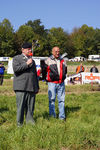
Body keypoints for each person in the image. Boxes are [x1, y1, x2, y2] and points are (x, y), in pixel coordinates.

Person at [13, 42, 39, 126]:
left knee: (30, 107)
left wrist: (37, 87)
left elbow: (34, 74)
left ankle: (30, 123)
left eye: (30, 49)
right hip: (21, 87)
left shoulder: (33, 61)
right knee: (20, 107)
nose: (29, 50)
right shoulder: (17, 58)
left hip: (31, 87)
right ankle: (19, 124)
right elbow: (16, 69)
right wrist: (27, 64)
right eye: (28, 49)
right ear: (23, 50)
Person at [43, 46, 67, 120]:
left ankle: (62, 117)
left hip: (61, 83)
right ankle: (52, 116)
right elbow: (44, 71)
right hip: (52, 83)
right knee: (52, 100)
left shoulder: (63, 60)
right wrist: (46, 79)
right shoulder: (48, 60)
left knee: (62, 100)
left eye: (58, 51)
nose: (57, 53)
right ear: (52, 52)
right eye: (56, 51)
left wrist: (63, 78)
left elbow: (65, 70)